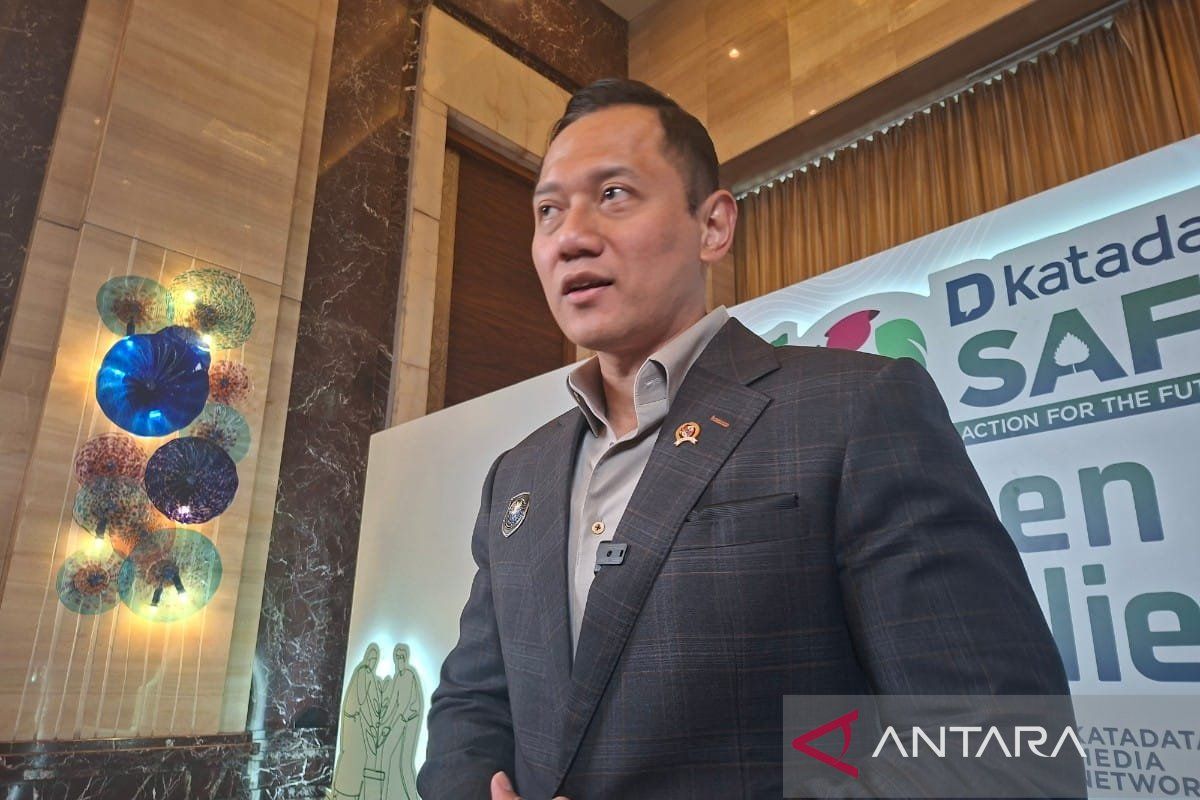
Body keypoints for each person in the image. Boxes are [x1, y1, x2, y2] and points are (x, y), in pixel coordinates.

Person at [416, 79, 1073, 800]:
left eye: (613, 194)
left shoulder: (855, 408)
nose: (570, 236)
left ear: (713, 226)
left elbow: (1001, 749)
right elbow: (472, 704)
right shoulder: (519, 473)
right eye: (548, 210)